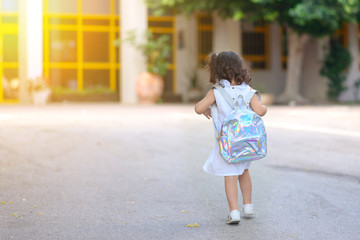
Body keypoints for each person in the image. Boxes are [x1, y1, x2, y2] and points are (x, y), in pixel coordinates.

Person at [194, 51, 267, 224]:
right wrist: (265, 108)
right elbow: (259, 111)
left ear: (217, 70)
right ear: (240, 68)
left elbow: (198, 108)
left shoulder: (216, 91)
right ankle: (248, 205)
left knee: (230, 175)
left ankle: (234, 212)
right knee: (244, 172)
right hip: (245, 142)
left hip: (226, 144)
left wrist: (207, 106)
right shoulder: (248, 90)